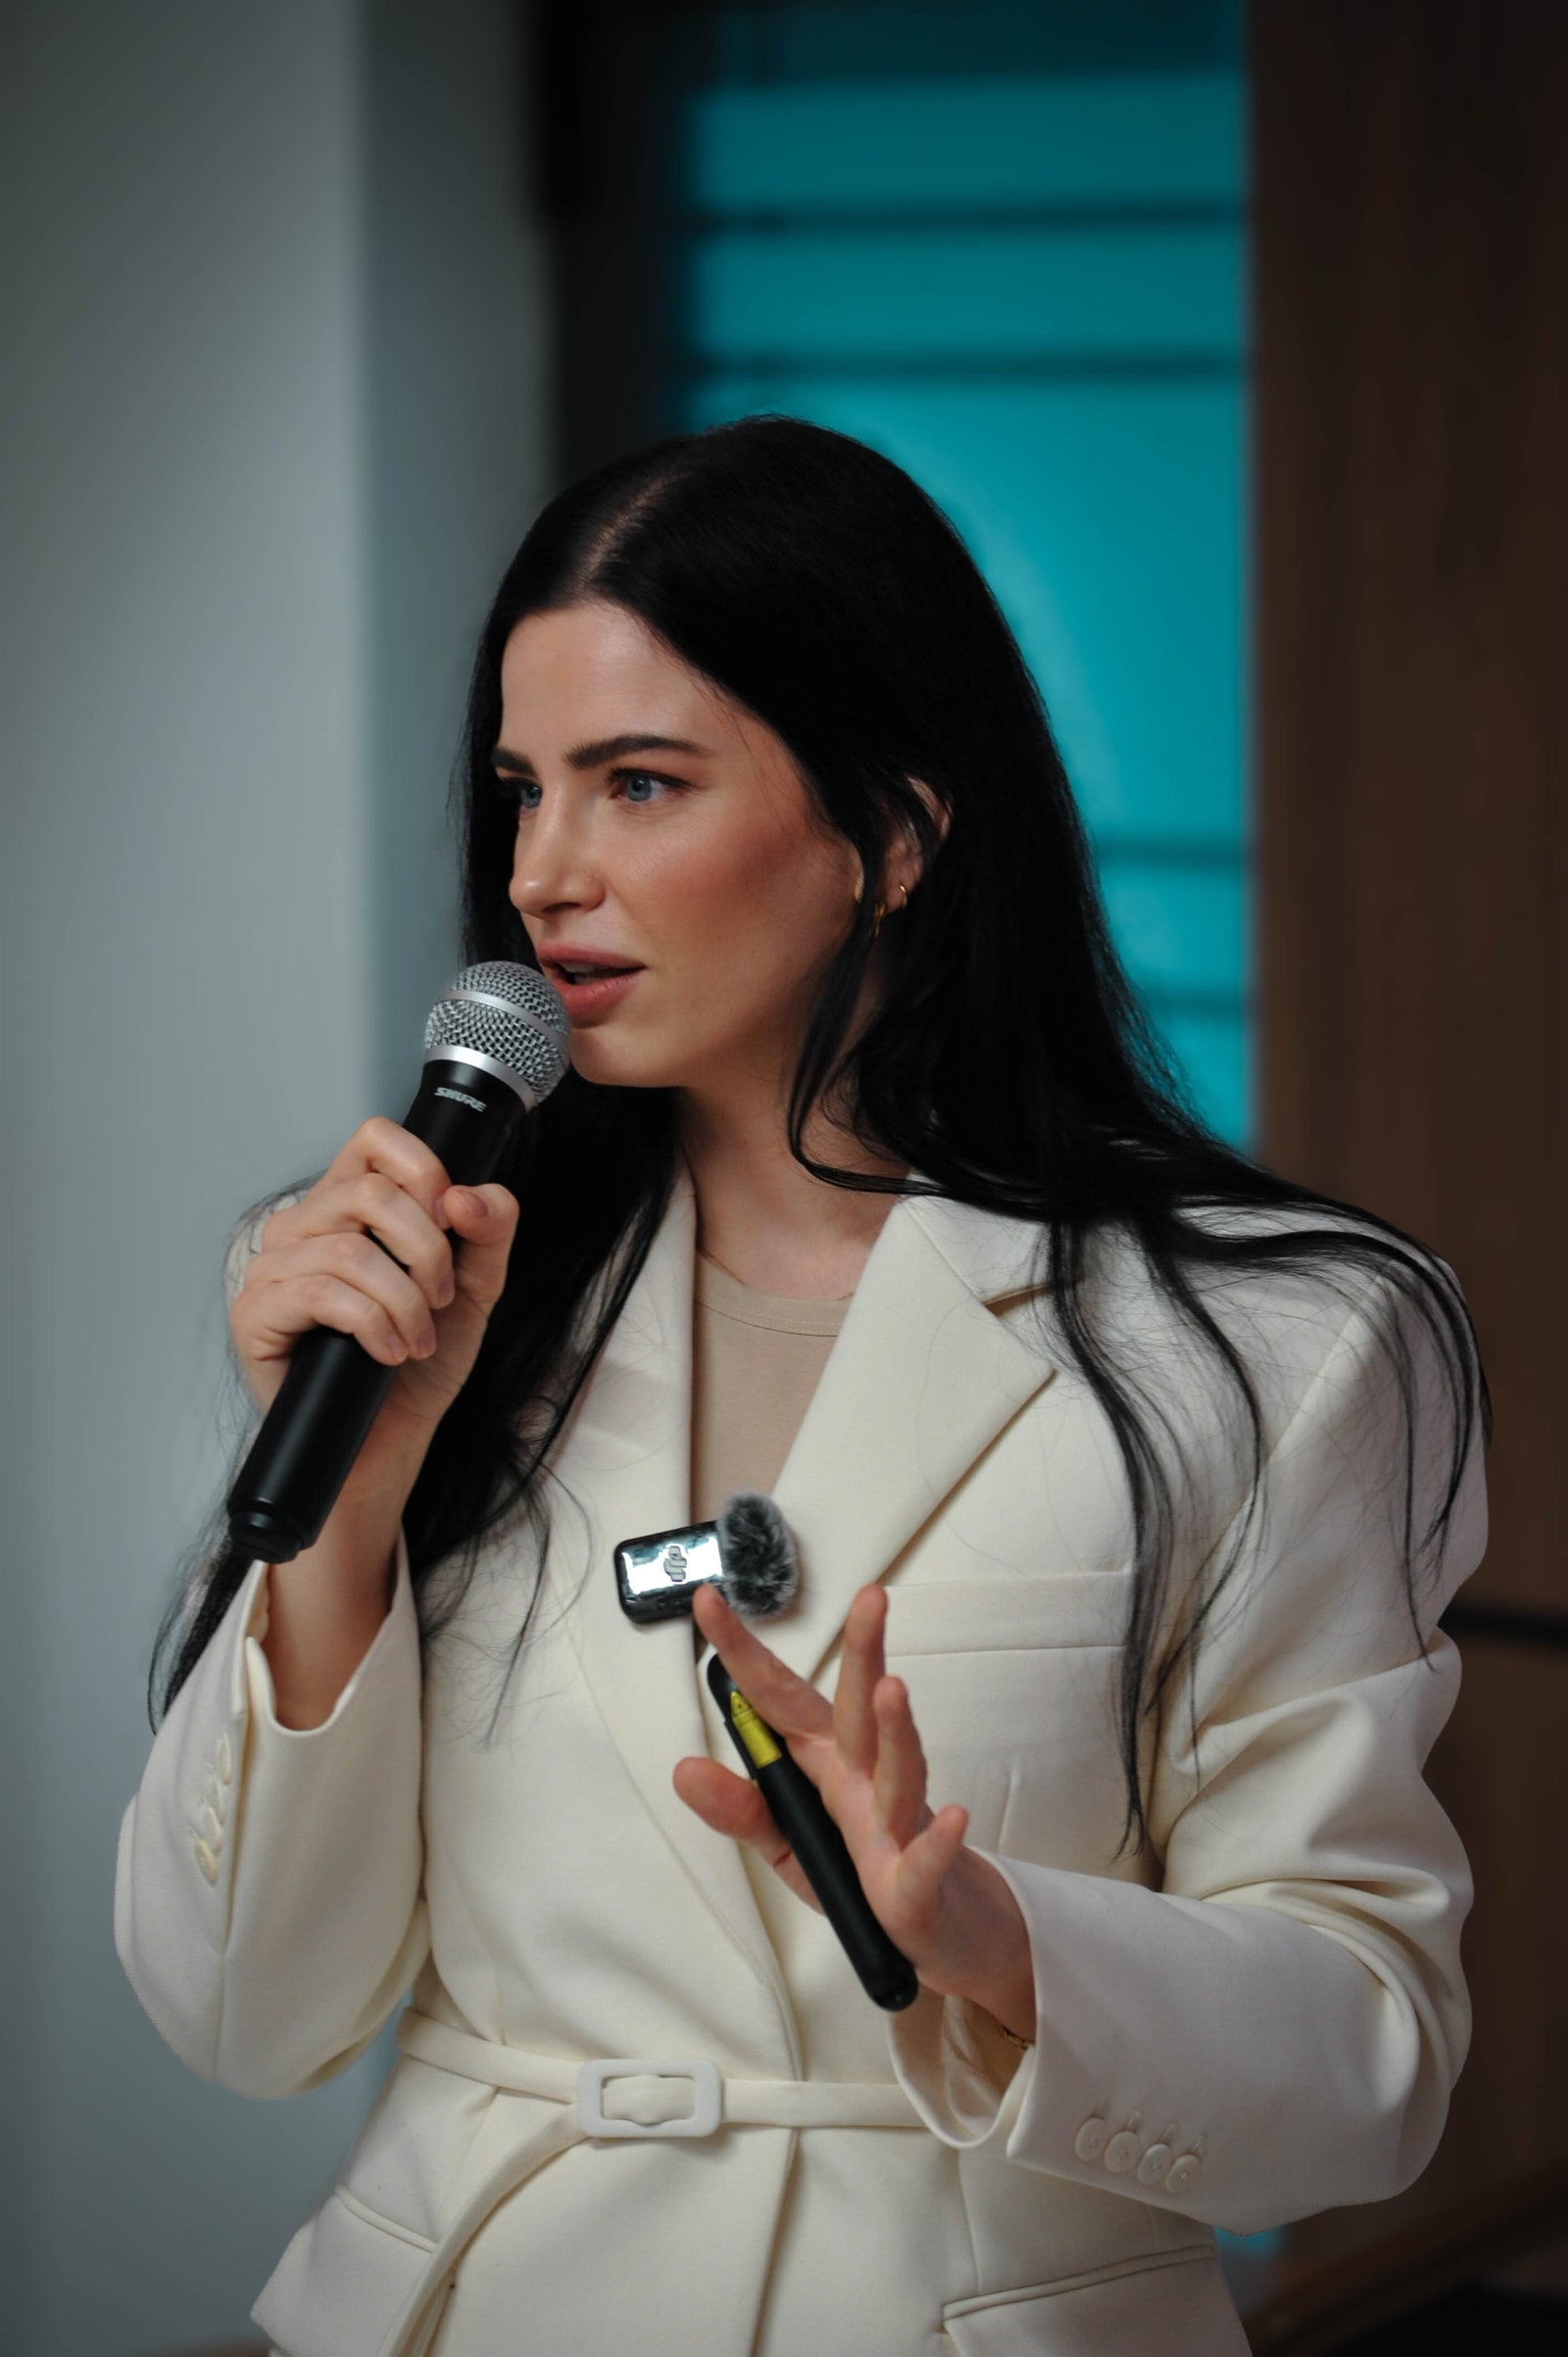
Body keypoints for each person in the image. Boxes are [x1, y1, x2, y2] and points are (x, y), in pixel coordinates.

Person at [116, 417, 1489, 2357]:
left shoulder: (1275, 1342)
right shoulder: (427, 1304)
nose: (541, 874)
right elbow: (246, 2013)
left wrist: (1001, 1946)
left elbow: (1369, 2056)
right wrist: (340, 1507)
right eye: (519, 792)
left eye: (637, 784)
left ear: (892, 835)